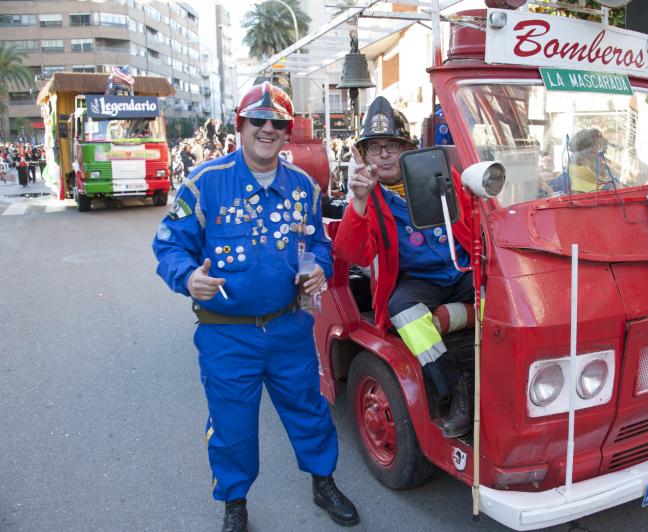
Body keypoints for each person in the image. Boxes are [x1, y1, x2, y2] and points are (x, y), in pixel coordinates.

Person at [152, 81, 359, 532]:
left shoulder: (303, 187)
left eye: (278, 123)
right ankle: (235, 503)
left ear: (288, 131)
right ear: (240, 126)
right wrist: (188, 277)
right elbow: (168, 247)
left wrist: (318, 268)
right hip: (227, 335)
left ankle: (323, 482)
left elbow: (319, 245)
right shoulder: (206, 183)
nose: (267, 129)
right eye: (257, 121)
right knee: (233, 425)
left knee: (309, 409)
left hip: (288, 328)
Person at [334, 96, 476, 438]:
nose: (384, 154)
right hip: (420, 281)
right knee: (404, 311)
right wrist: (359, 201)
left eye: (393, 146)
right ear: (365, 156)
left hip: (462, 268)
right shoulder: (369, 195)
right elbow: (352, 253)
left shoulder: (441, 175)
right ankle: (456, 388)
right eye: (375, 147)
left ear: (408, 149)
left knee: (507, 288)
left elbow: (474, 216)